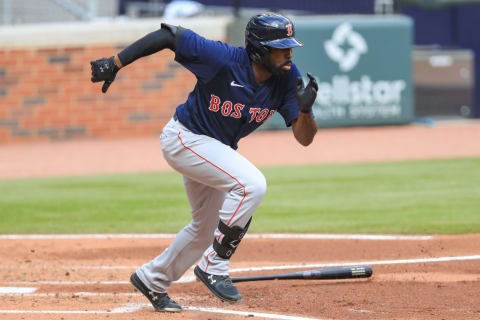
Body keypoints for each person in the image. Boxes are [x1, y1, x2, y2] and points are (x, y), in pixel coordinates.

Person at [90, 12, 318, 313]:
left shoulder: (287, 77)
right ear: (259, 50)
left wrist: (305, 111)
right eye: (281, 46)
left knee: (205, 229)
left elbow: (304, 138)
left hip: (213, 150)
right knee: (251, 184)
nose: (289, 52)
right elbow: (169, 36)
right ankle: (215, 265)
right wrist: (116, 63)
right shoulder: (223, 59)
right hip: (184, 138)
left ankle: (152, 279)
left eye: (290, 46)